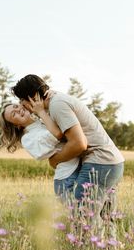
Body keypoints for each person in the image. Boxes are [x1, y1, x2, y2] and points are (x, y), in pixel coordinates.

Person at [11, 74, 125, 218]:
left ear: (33, 97)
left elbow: (79, 144)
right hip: (109, 162)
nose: (21, 105)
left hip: (100, 162)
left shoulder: (57, 105)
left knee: (83, 219)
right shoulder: (53, 104)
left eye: (22, 100)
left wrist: (55, 160)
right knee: (105, 221)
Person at [0, 96, 81, 201]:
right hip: (67, 178)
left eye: (16, 106)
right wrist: (41, 111)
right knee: (81, 216)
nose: (18, 110)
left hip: (82, 168)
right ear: (16, 125)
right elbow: (57, 134)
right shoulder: (27, 139)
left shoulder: (42, 120)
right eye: (14, 114)